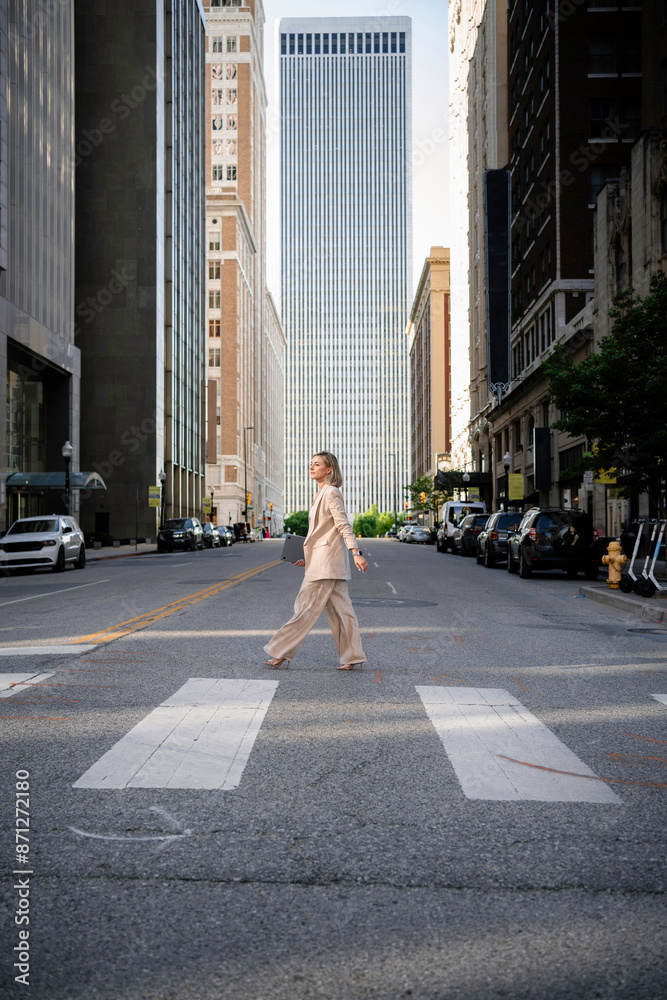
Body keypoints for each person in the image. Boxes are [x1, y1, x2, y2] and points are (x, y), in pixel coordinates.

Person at [264, 451, 368, 671]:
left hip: (326, 565)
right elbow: (320, 533)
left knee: (304, 608)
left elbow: (342, 525)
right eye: (310, 464)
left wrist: (355, 552)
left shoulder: (331, 492)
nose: (311, 467)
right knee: (343, 612)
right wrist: (305, 557)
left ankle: (281, 652)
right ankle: (352, 656)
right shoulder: (322, 493)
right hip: (324, 562)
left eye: (317, 464)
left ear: (329, 469)